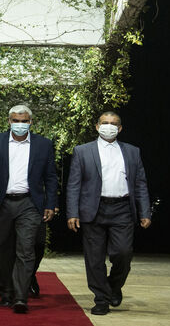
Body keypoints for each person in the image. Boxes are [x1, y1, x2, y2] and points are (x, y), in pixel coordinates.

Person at [66, 111, 151, 316]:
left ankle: (113, 286)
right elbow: (74, 184)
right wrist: (72, 212)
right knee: (94, 259)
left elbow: (140, 183)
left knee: (123, 253)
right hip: (93, 209)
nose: (109, 126)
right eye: (105, 123)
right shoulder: (82, 151)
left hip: (122, 209)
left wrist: (145, 211)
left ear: (120, 128)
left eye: (114, 124)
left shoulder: (132, 151)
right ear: (97, 126)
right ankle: (101, 299)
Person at [0, 104, 58, 314]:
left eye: (24, 121)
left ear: (31, 122)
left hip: (30, 203)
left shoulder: (43, 144)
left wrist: (51, 203)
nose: (20, 125)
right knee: (3, 250)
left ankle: (21, 297)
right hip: (1, 202)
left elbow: (50, 177)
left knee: (26, 248)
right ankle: (6, 291)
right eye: (16, 121)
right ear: (9, 121)